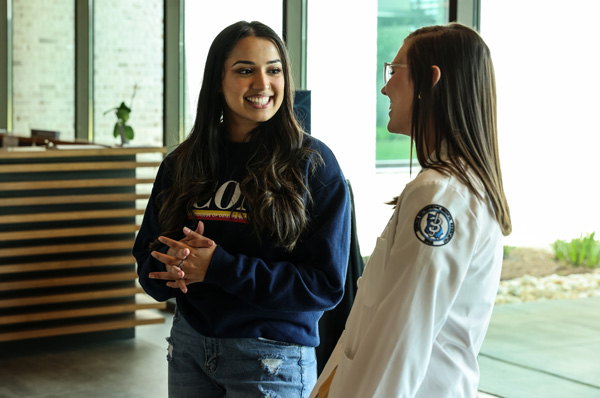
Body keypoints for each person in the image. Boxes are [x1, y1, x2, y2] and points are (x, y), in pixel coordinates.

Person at [133, 21, 351, 398]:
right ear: (218, 81)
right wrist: (169, 267)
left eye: (274, 70)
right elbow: (148, 254)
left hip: (272, 358)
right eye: (245, 70)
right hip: (189, 347)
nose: (262, 84)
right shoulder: (182, 163)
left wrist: (219, 267)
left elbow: (325, 284)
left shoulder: (313, 164)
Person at [311, 23, 512, 398]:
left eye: (394, 71)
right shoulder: (448, 187)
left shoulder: (439, 197)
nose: (385, 87)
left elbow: (399, 342)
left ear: (429, 81)